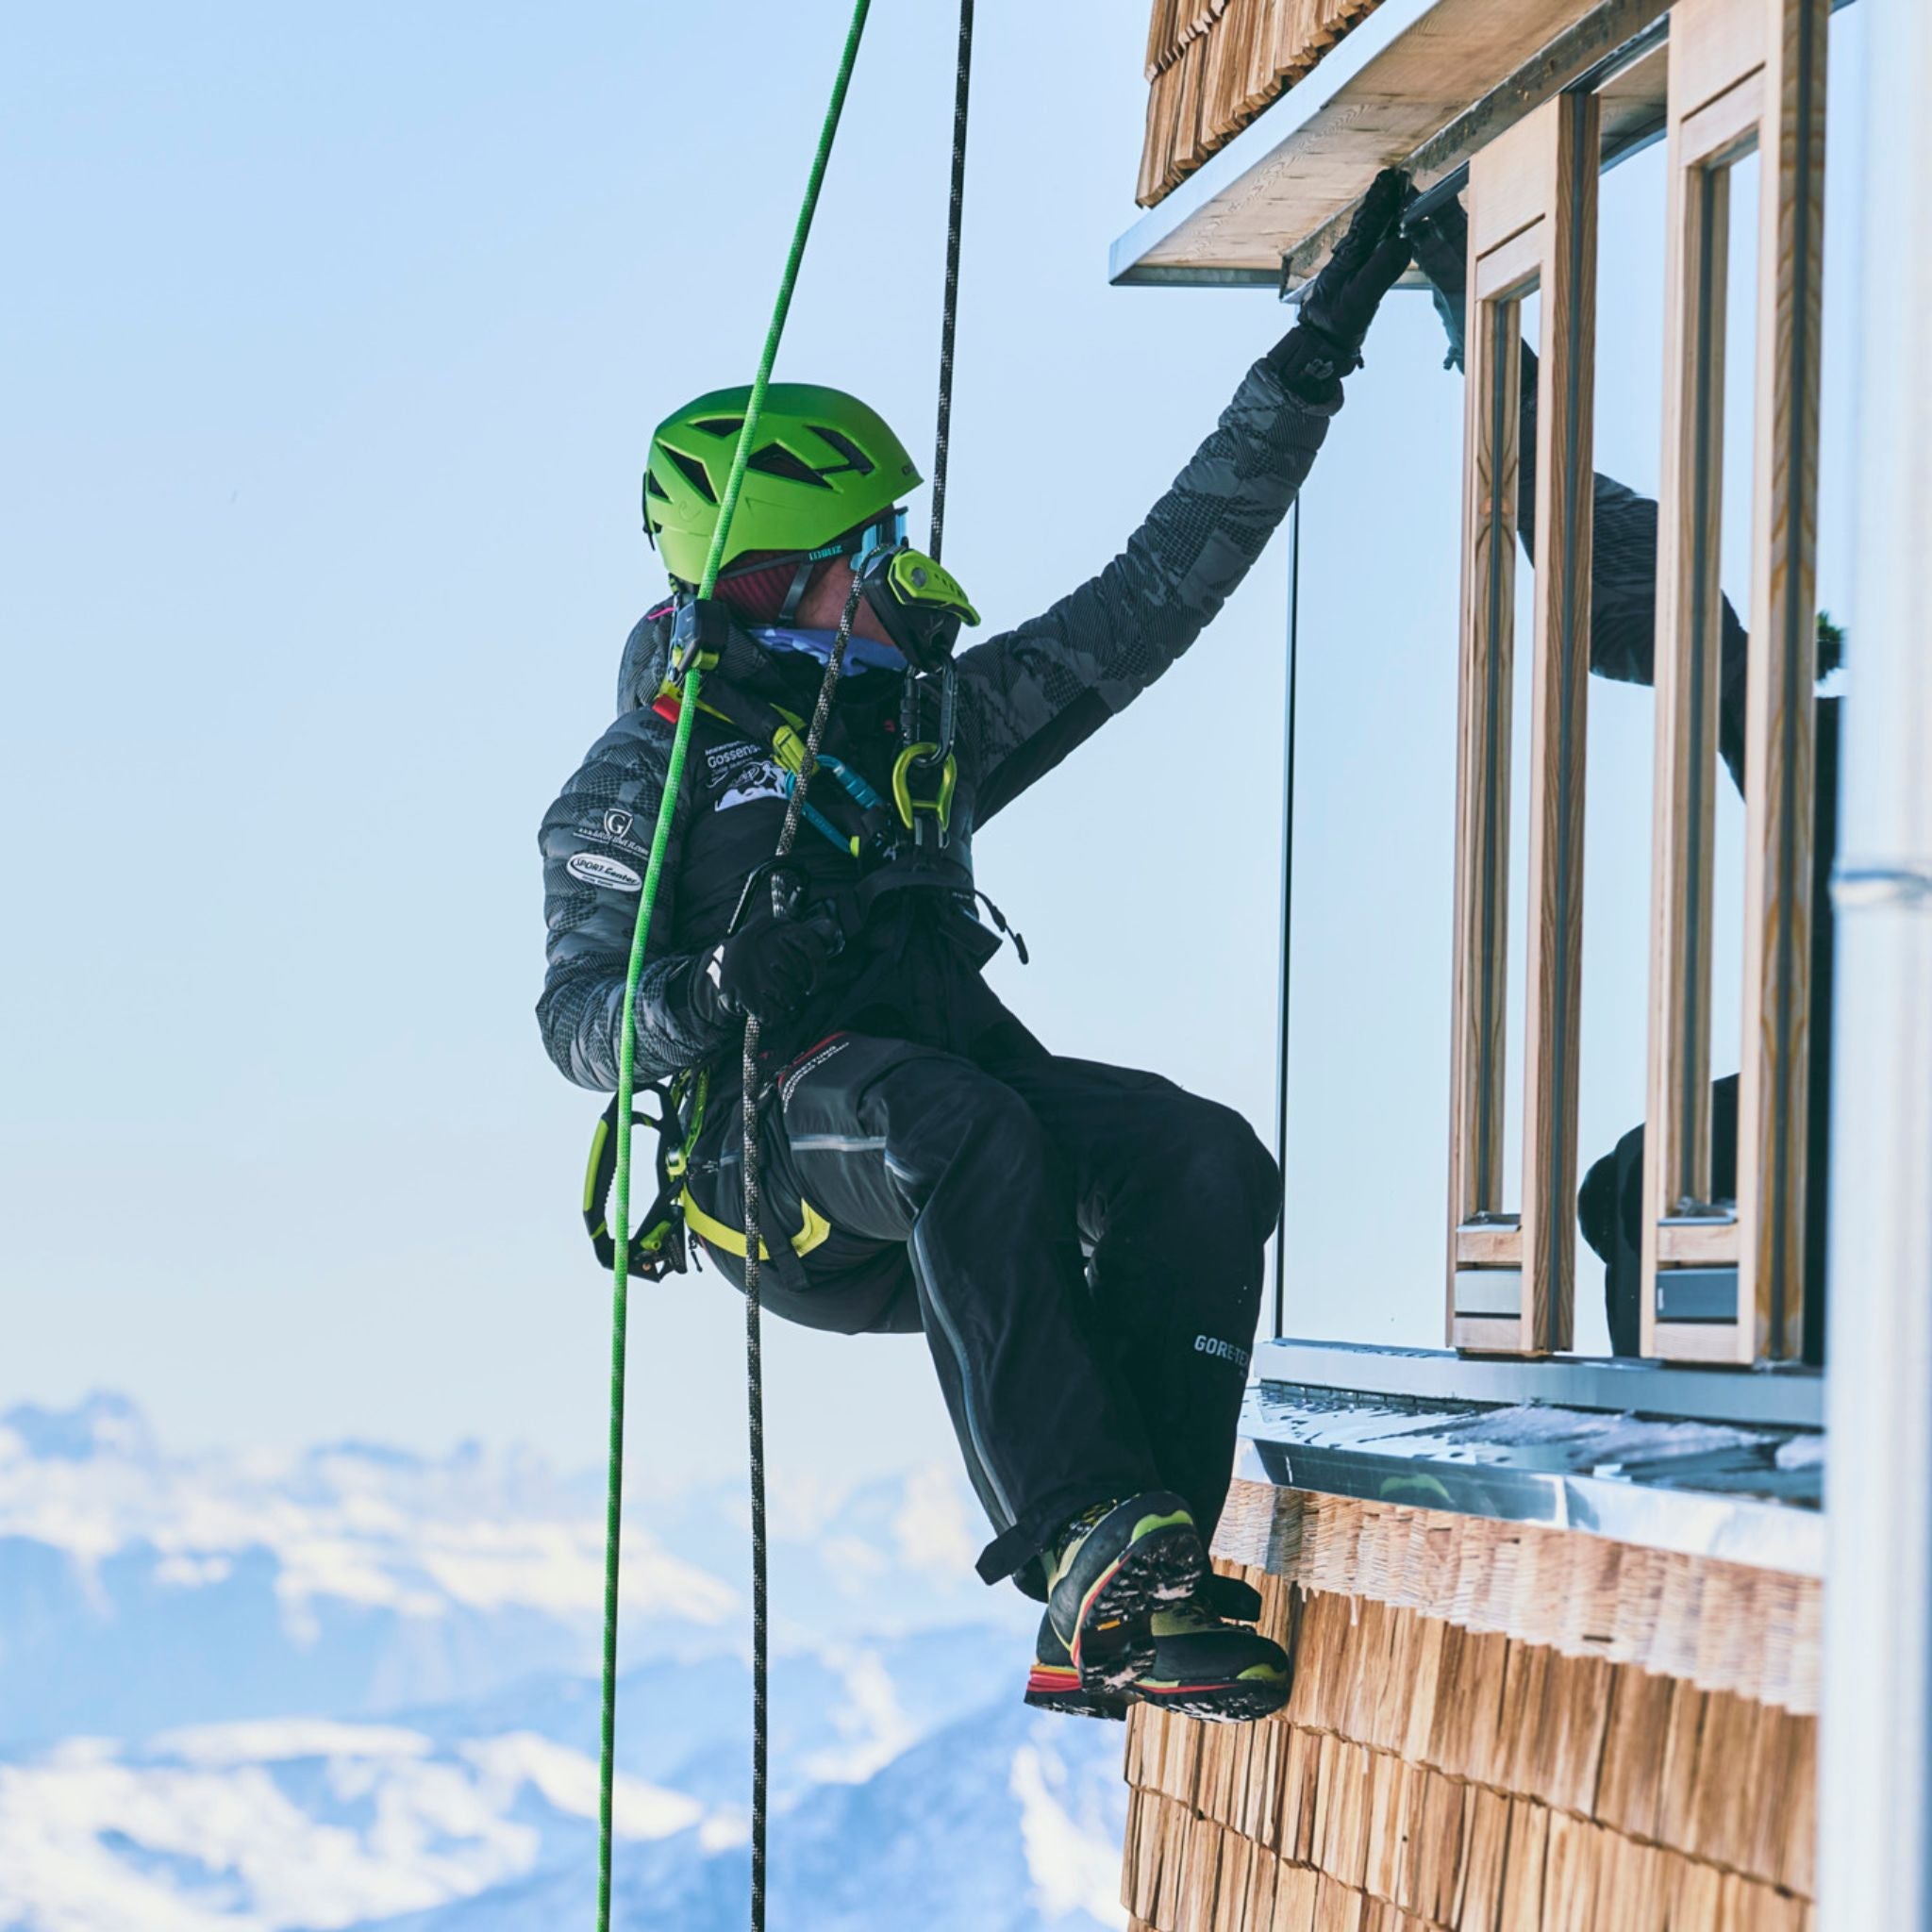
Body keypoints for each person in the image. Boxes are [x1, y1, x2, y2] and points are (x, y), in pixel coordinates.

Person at [538, 173, 1415, 1725]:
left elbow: (1154, 595)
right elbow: (580, 1021)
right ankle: (1091, 1550)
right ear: (775, 580)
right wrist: (713, 989)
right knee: (963, 1123)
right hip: (783, 1181)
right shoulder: (642, 775)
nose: (901, 570)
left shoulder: (924, 725)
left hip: (953, 1131)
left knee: (1196, 1155)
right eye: (870, 546)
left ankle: (1130, 1588)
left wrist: (1314, 357)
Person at [1406, 197, 1838, 1362]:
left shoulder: (1837, 789)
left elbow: (1674, 621)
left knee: (1644, 1186)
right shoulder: (1832, 782)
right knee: (1632, 1188)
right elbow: (1662, 611)